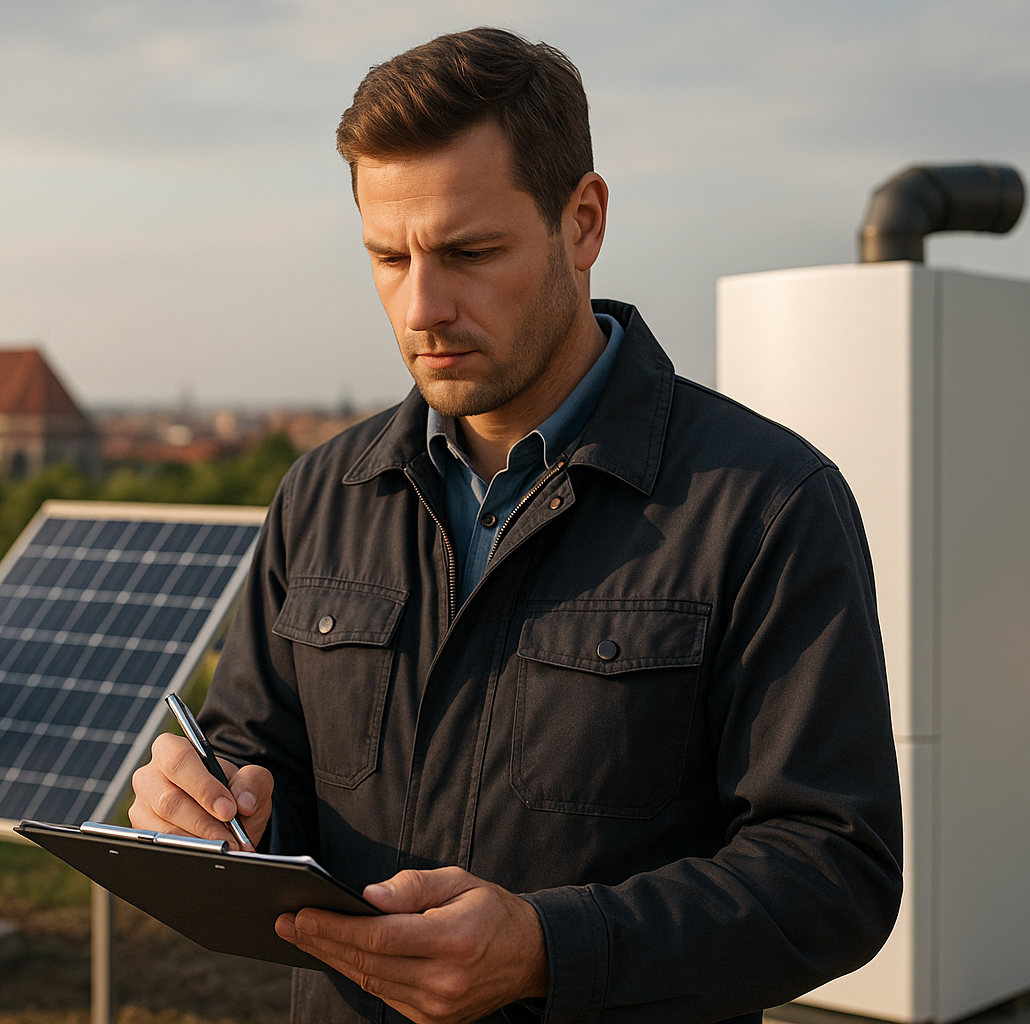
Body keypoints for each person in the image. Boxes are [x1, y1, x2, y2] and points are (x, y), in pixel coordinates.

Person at [131, 26, 902, 1024]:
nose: (421, 306)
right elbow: (258, 750)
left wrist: (549, 949)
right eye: (387, 255)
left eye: (469, 251)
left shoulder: (765, 504)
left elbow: (834, 870)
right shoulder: (321, 495)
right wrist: (212, 804)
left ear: (583, 222)